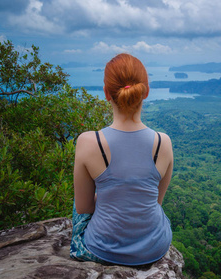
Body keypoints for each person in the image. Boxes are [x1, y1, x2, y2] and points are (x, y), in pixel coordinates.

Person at [70, 53, 173, 266]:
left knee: (78, 201)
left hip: (102, 248)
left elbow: (83, 208)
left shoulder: (89, 142)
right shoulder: (163, 143)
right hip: (153, 248)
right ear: (146, 91)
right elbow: (154, 202)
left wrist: (110, 197)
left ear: (107, 93)